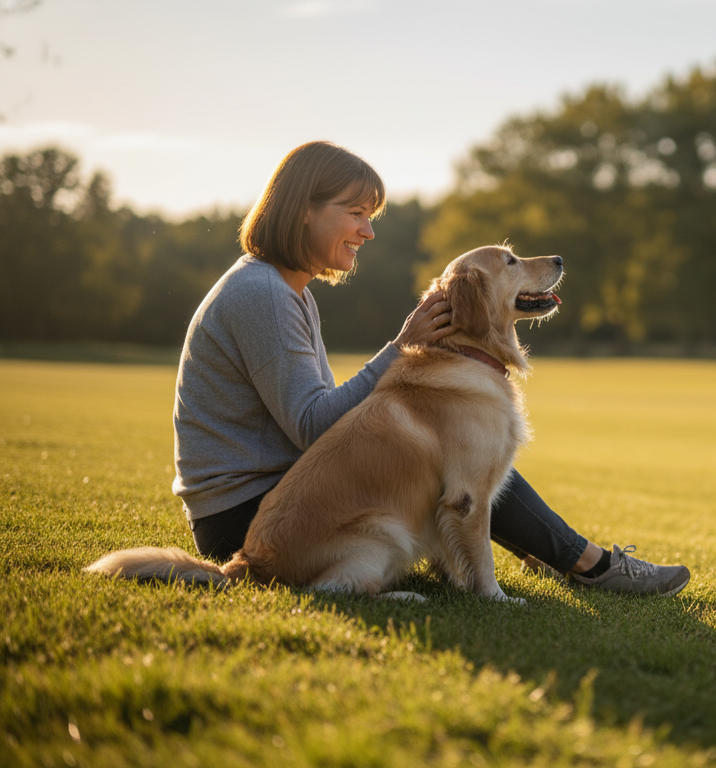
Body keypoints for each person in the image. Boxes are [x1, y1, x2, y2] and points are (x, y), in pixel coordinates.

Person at [171, 140, 689, 596]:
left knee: (455, 442)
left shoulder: (285, 289)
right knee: (461, 451)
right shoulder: (264, 293)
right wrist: (401, 347)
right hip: (248, 516)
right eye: (356, 213)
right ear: (304, 210)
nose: (368, 232)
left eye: (370, 216)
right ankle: (587, 563)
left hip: (281, 499)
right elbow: (311, 426)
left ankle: (543, 555)